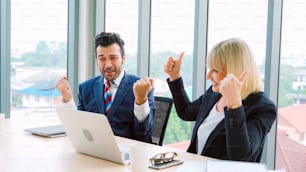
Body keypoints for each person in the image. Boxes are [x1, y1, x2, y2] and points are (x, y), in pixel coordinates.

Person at [163, 38, 276, 162]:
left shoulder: (262, 107)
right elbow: (186, 111)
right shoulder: (215, 93)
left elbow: (241, 156)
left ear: (234, 71)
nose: (208, 76)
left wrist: (234, 105)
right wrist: (175, 77)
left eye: (215, 70)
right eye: (209, 69)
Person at [56, 32, 155, 143]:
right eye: (102, 58)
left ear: (123, 58)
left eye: (113, 58)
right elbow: (79, 129)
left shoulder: (142, 88)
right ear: (97, 60)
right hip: (96, 152)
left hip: (129, 154)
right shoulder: (86, 88)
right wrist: (67, 99)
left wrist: (140, 100)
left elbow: (144, 134)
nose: (108, 64)